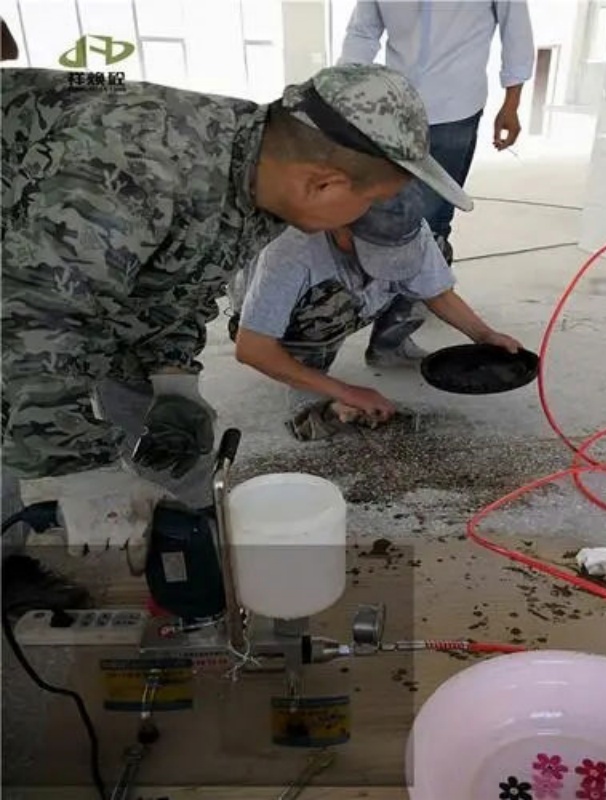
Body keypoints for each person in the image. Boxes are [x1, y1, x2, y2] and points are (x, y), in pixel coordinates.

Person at [1, 61, 472, 613]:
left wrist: (172, 378)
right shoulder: (136, 167)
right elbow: (34, 321)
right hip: (24, 279)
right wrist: (76, 467)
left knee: (162, 440)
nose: (367, 216)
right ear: (322, 183)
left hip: (49, 281)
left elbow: (170, 287)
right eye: (367, 201)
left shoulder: (260, 178)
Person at [336, 0, 535, 369]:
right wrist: (345, 94)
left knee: (433, 221)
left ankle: (393, 335)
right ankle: (390, 308)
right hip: (392, 109)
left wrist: (512, 103)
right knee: (387, 216)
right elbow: (363, 31)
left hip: (455, 109)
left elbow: (516, 32)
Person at [234, 190, 523, 441]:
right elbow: (252, 348)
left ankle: (389, 346)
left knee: (437, 251)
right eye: (376, 253)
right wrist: (346, 392)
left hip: (356, 301)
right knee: (328, 306)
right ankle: (310, 383)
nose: (388, 265)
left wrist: (484, 334)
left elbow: (439, 293)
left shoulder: (405, 225)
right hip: (294, 319)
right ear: (340, 226)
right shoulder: (291, 251)